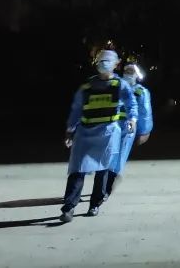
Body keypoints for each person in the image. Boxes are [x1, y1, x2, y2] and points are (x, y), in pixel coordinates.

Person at [59, 49, 137, 223]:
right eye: (101, 60)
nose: (104, 64)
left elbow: (131, 104)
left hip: (108, 133)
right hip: (85, 133)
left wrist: (132, 119)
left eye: (107, 61)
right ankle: (68, 207)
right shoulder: (87, 87)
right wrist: (70, 130)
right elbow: (76, 110)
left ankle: (95, 204)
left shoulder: (120, 85)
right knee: (77, 170)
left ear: (115, 65)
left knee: (102, 170)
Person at [106, 62, 153, 196]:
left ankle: (111, 180)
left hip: (128, 128)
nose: (128, 74)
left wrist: (144, 132)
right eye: (127, 71)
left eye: (131, 71)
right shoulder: (116, 86)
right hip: (111, 126)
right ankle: (105, 182)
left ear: (137, 75)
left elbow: (145, 114)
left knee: (119, 154)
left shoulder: (141, 92)